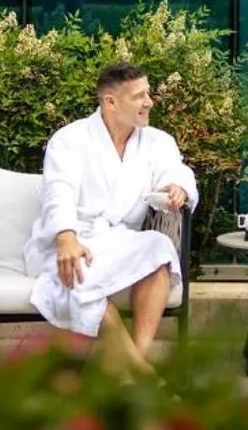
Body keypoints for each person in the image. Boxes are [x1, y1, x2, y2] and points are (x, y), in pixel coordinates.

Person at [26, 62, 197, 378]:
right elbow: (57, 192)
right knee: (78, 276)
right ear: (110, 102)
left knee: (160, 246)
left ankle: (135, 358)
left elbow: (176, 171)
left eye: (149, 93)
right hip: (75, 238)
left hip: (120, 240)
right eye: (140, 96)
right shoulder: (70, 139)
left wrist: (179, 188)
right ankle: (140, 372)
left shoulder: (157, 141)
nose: (149, 102)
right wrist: (66, 237)